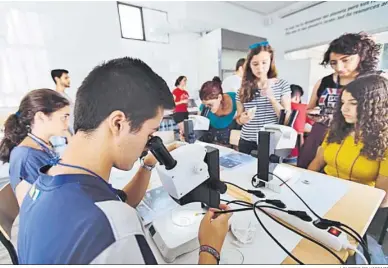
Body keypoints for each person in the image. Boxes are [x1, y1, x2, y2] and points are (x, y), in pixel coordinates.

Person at [17, 58, 232, 264]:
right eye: (150, 133)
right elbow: (114, 219)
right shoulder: (117, 230)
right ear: (118, 123)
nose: (149, 142)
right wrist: (209, 249)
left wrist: (148, 163)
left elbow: (119, 202)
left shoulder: (41, 185)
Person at [298, 33, 382, 169]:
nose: (339, 67)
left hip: (354, 137)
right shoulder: (324, 82)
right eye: (333, 63)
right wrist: (313, 114)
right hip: (320, 132)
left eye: (345, 60)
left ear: (361, 56)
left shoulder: (373, 82)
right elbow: (309, 109)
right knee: (305, 168)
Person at [308, 74, 388, 207]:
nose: (344, 109)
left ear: (376, 105)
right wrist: (303, 185)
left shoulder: (384, 141)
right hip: (322, 193)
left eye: (353, 103)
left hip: (358, 203)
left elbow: (383, 198)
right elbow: (317, 161)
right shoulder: (337, 129)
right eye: (343, 102)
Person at [0, 89, 70, 205]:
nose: (67, 124)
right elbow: (37, 208)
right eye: (64, 117)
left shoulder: (42, 145)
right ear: (40, 117)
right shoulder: (27, 157)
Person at [235, 41, 291, 155]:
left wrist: (272, 98)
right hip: (247, 141)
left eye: (264, 63)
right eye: (255, 64)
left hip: (271, 141)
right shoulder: (242, 89)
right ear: (249, 65)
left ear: (271, 62)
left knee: (270, 172)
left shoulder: (282, 85)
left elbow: (287, 119)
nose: (260, 68)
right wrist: (242, 119)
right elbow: (238, 119)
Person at [199, 80, 237, 145]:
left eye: (210, 105)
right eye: (204, 104)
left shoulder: (235, 99)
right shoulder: (204, 107)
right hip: (212, 141)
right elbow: (198, 125)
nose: (207, 108)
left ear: (219, 97)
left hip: (231, 142)